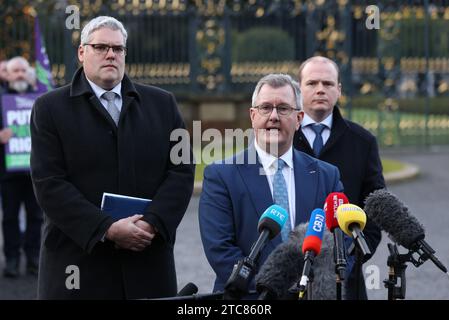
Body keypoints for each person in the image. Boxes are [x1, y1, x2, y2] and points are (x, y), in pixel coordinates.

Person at [30, 16, 194, 299]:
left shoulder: (163, 104)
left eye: (118, 49)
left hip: (146, 260)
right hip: (78, 266)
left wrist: (151, 222)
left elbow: (181, 172)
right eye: (101, 47)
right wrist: (106, 228)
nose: (110, 54)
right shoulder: (49, 108)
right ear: (82, 53)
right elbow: (49, 183)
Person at [199, 73, 343, 295]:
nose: (274, 116)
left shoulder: (326, 175)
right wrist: (272, 287)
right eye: (266, 107)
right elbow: (220, 250)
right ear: (253, 116)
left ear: (299, 119)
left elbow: (341, 246)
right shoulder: (221, 176)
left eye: (284, 108)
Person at [293, 56, 385, 300]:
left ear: (339, 90)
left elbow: (375, 207)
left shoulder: (363, 141)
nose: (320, 89)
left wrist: (350, 258)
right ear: (298, 89)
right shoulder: (281, 140)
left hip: (346, 274)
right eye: (312, 83)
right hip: (290, 272)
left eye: (328, 83)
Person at [0, 56, 43, 278]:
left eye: (22, 70)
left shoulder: (41, 99)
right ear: (7, 74)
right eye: (14, 71)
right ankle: (12, 259)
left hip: (35, 171)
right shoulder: (1, 98)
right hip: (8, 172)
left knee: (37, 215)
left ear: (29, 73)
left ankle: (34, 257)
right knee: (9, 217)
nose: (18, 74)